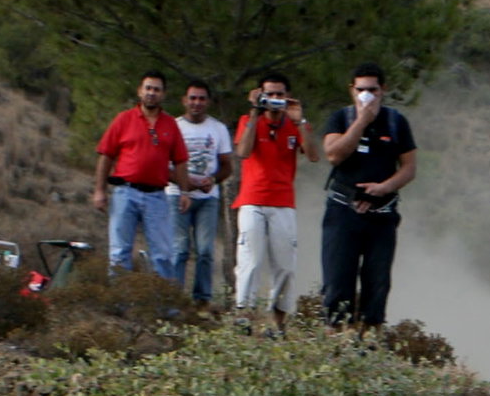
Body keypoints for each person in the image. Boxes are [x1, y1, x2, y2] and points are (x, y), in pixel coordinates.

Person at [321, 63, 417, 331]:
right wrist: (361, 121)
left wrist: (384, 187)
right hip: (342, 212)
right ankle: (335, 344)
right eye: (361, 90)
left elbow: (409, 168)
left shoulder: (396, 122)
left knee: (377, 283)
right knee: (338, 281)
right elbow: (333, 155)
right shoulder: (341, 118)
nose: (367, 96)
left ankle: (370, 345)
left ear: (383, 90)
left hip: (382, 215)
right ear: (352, 90)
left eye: (373, 90)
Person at [232, 71, 320, 333]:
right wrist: (254, 112)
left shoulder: (296, 124)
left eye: (279, 94)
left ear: (288, 96)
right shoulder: (249, 120)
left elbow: (314, 156)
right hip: (252, 200)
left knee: (285, 264)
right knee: (250, 259)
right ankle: (243, 316)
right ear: (261, 95)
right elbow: (243, 152)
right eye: (269, 94)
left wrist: (301, 120)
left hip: (283, 202)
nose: (274, 99)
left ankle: (277, 322)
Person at [92, 71, 190, 278]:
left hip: (157, 196)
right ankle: (120, 304)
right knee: (119, 252)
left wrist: (185, 192)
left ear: (163, 94)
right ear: (140, 91)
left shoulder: (170, 124)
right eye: (148, 88)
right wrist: (100, 190)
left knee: (162, 253)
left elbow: (180, 160)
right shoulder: (124, 119)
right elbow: (106, 155)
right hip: (125, 192)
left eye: (156, 89)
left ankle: (164, 306)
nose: (151, 93)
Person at [168, 80, 233, 304]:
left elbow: (227, 165)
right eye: (192, 98)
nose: (197, 103)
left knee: (205, 250)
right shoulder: (173, 126)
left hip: (207, 198)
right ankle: (174, 298)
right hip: (177, 194)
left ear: (208, 102)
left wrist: (212, 180)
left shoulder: (218, 129)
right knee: (179, 249)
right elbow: (164, 167)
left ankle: (202, 299)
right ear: (184, 100)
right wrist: (187, 183)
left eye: (201, 98)